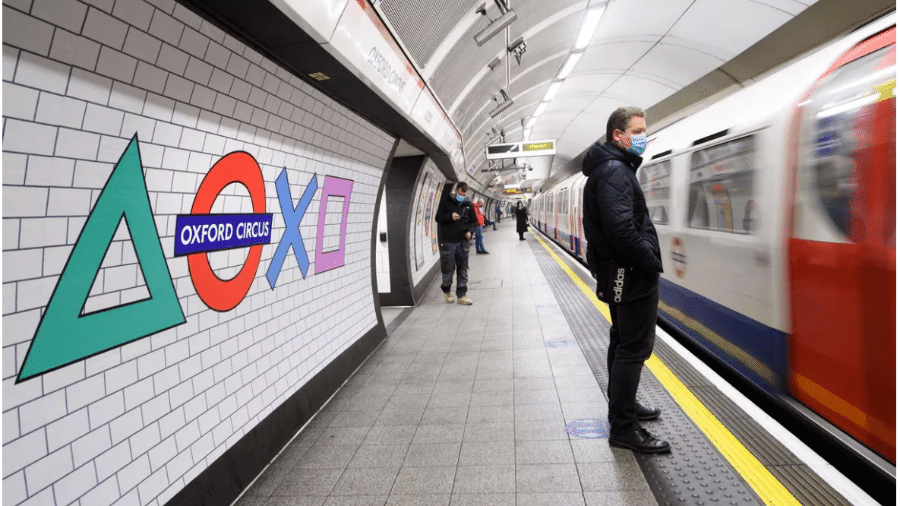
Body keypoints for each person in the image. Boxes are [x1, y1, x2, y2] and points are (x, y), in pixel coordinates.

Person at [581, 106, 670, 454]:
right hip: (630, 273)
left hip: (618, 272)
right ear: (618, 134)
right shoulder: (616, 171)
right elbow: (621, 229)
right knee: (633, 349)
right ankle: (623, 428)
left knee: (622, 342)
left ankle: (623, 409)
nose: (643, 136)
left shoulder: (607, 169)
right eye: (638, 130)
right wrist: (650, 263)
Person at [435, 182, 476, 305]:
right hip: (448, 242)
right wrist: (450, 216)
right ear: (457, 189)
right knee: (448, 269)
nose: (463, 194)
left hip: (463, 241)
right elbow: (438, 218)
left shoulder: (468, 204)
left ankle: (461, 295)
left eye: (465, 192)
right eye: (461, 191)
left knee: (463, 268)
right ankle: (446, 290)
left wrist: (470, 232)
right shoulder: (445, 201)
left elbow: (473, 222)